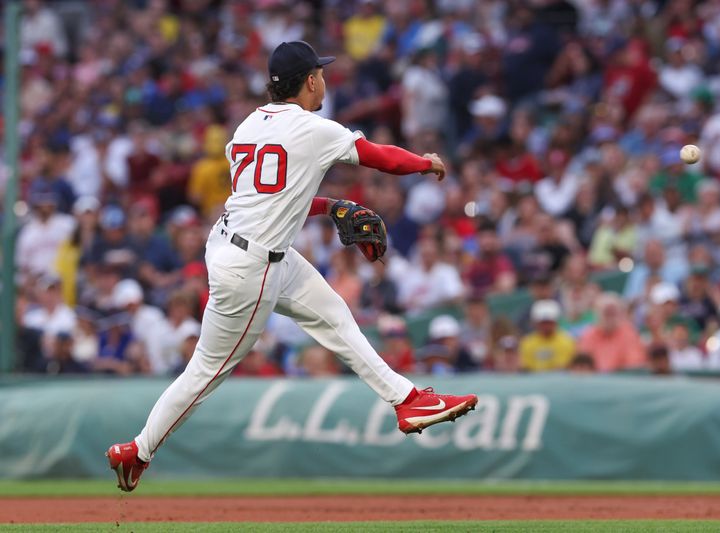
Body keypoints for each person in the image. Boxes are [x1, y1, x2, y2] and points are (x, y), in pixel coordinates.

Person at [107, 41, 477, 491]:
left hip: (242, 245)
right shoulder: (312, 128)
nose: (323, 79)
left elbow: (274, 198)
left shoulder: (247, 126)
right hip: (254, 266)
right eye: (320, 73)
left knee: (335, 314)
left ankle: (408, 399)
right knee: (206, 370)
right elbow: (381, 157)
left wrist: (330, 206)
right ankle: (139, 450)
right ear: (309, 81)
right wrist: (426, 163)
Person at [518, 300, 575, 372]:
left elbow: (568, 366)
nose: (546, 326)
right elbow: (525, 368)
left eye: (549, 322)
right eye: (543, 323)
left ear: (555, 322)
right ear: (535, 323)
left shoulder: (567, 341)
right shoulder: (527, 343)